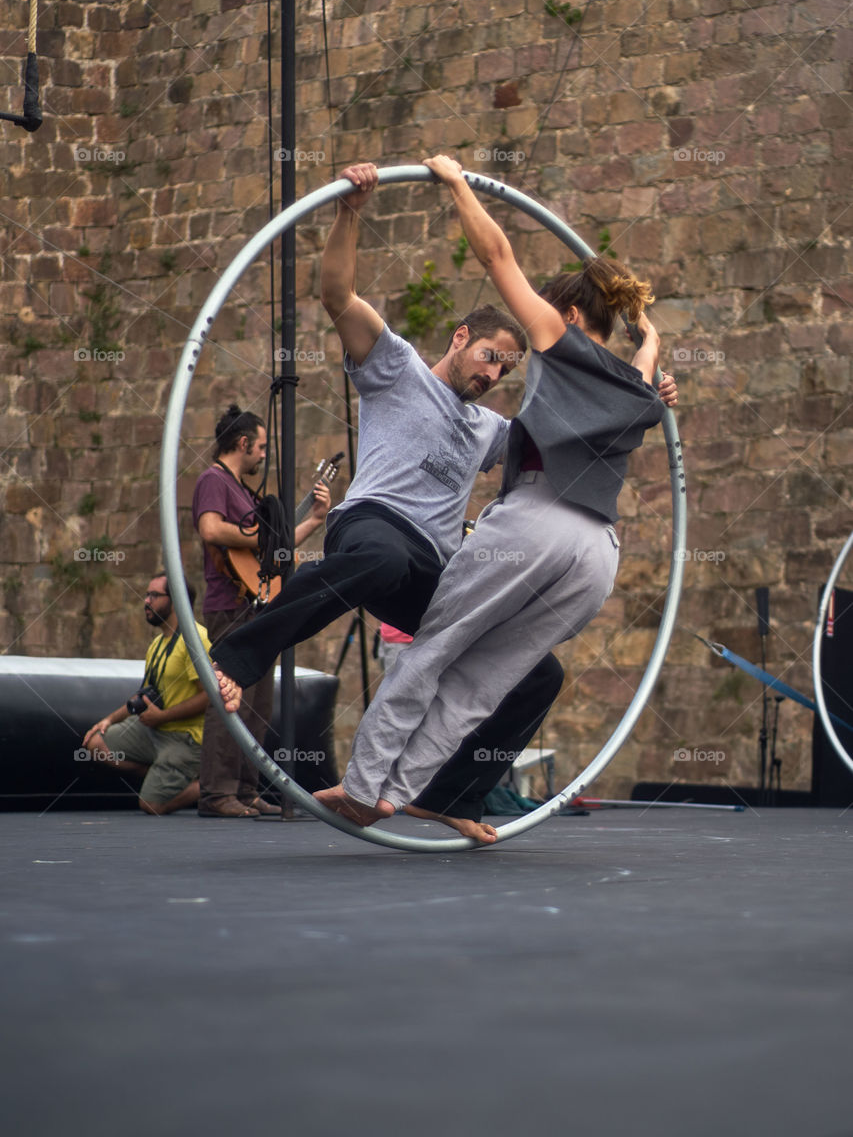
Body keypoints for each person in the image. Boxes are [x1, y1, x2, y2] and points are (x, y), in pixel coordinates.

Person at [314, 153, 673, 842]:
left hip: (533, 525)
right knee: (481, 681)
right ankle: (406, 793)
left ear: (567, 312)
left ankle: (365, 789)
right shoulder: (635, 385)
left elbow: (497, 253)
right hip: (596, 555)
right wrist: (649, 340)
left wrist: (454, 182)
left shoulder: (558, 339)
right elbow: (645, 366)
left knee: (434, 648)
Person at [211, 162, 570, 839]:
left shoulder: (492, 430)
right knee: (380, 559)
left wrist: (642, 390)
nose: (494, 375)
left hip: (431, 571)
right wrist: (351, 210)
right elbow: (337, 295)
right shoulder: (395, 367)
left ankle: (453, 794)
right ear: (460, 339)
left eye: (507, 369)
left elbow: (570, 437)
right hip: (370, 529)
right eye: (489, 355)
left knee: (536, 671)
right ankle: (237, 656)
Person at [193, 405, 330, 817]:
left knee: (258, 704)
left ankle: (246, 789)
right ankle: (217, 793)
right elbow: (212, 529)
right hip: (229, 605)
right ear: (242, 443)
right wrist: (256, 538)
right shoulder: (213, 480)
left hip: (258, 602)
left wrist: (317, 520)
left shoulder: (244, 490)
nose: (264, 454)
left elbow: (274, 547)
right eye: (262, 446)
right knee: (231, 699)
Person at [80, 572, 210, 815]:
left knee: (151, 805)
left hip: (186, 738)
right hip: (153, 733)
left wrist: (163, 717)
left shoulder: (196, 638)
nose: (146, 601)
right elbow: (143, 696)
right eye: (146, 595)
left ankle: (210, 786)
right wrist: (107, 720)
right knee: (96, 742)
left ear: (177, 599)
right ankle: (161, 772)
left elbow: (209, 697)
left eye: (154, 595)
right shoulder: (157, 644)